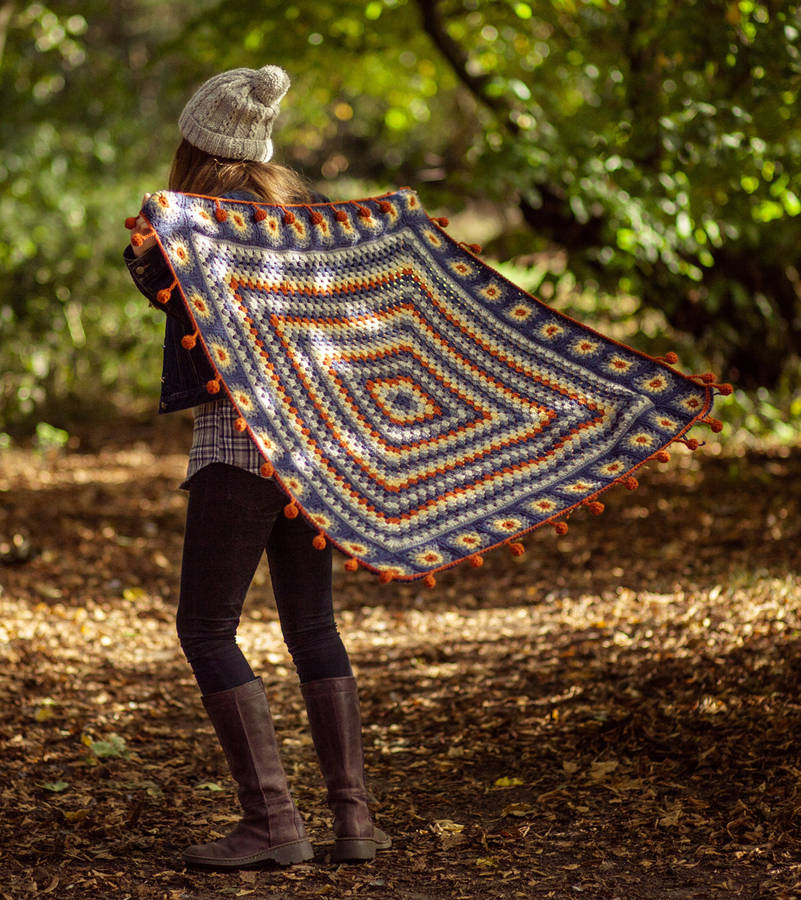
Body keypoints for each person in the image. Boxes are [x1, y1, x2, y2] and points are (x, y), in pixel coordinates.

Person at [124, 64, 390, 870]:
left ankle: (273, 822)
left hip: (239, 455)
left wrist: (150, 230)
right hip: (311, 455)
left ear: (194, 140)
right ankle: (353, 823)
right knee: (312, 626)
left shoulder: (180, 224)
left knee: (205, 629)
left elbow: (160, 292)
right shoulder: (303, 219)